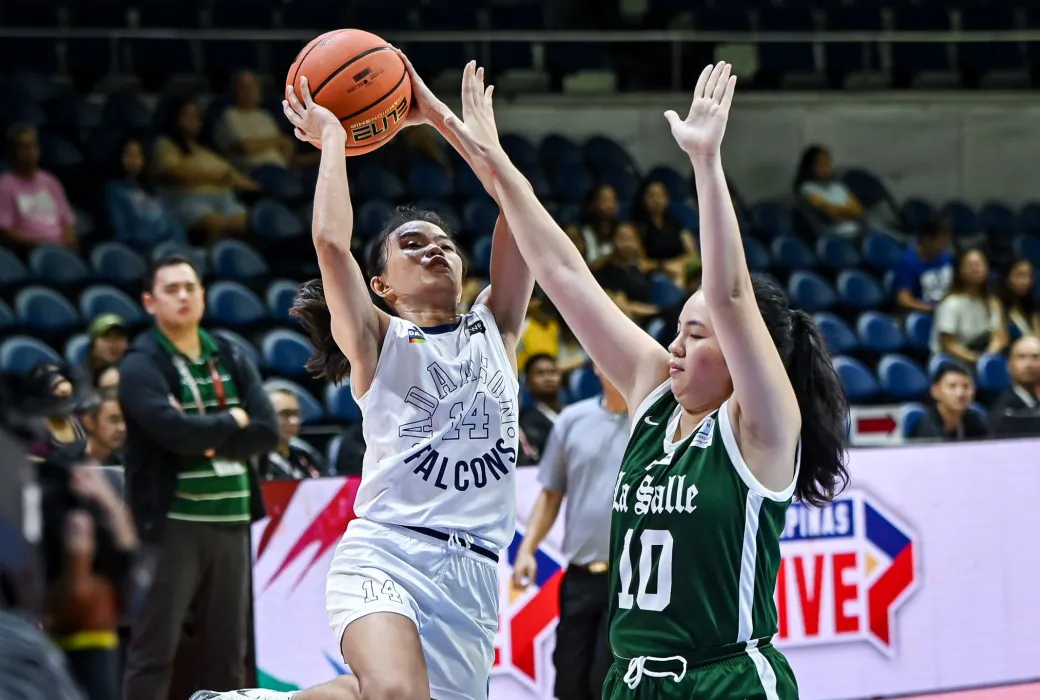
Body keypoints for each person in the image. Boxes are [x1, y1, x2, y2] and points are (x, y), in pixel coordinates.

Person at [446, 60, 849, 699]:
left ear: (751, 355)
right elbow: (564, 271)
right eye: (678, 329)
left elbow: (731, 294)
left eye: (698, 333)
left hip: (727, 681)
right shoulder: (654, 400)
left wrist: (706, 163)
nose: (675, 346)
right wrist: (491, 160)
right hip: (631, 682)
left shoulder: (765, 428)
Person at [193, 56, 533, 700]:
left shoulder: (499, 327)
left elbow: (518, 206)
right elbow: (329, 241)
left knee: (384, 694)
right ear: (381, 287)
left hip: (474, 575)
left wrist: (436, 116)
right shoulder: (380, 342)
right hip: (389, 553)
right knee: (398, 693)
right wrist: (332, 141)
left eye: (442, 242)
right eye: (411, 244)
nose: (433, 247)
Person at [118, 253, 278, 700]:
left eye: (190, 287)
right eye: (172, 289)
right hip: (172, 524)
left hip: (232, 519)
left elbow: (267, 431)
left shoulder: (229, 352)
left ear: (203, 295)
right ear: (150, 302)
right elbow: (172, 433)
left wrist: (204, 435)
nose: (183, 296)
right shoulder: (139, 365)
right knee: (154, 651)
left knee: (229, 655)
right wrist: (232, 422)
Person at [513, 366, 629, 700]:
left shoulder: (654, 422)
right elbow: (551, 495)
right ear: (595, 365)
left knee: (605, 681)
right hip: (579, 576)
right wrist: (526, 551)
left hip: (631, 581)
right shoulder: (572, 420)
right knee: (568, 682)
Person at [0, 123, 77, 251]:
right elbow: (5, 230)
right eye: (24, 148)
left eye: (33, 146)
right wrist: (39, 245)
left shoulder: (50, 180)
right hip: (30, 251)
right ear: (12, 152)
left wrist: (68, 243)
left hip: (59, 248)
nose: (30, 152)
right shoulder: (5, 185)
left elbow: (67, 221)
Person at [931, 249, 1008, 363]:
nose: (976, 268)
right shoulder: (951, 303)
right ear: (960, 270)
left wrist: (988, 357)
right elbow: (948, 344)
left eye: (980, 264)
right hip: (952, 361)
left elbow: (1000, 337)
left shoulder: (992, 302)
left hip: (983, 356)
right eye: (971, 265)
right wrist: (975, 359)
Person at [909, 362, 988, 441]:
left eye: (966, 386)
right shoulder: (927, 428)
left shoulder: (973, 419)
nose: (960, 394)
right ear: (935, 391)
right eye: (952, 386)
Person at [891, 216, 954, 313]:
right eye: (941, 242)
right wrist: (932, 310)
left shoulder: (946, 258)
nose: (945, 247)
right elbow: (904, 300)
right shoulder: (908, 263)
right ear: (927, 240)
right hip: (926, 313)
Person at [988, 336, 1040, 437]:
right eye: (1021, 357)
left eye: (1035, 357)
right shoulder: (1002, 413)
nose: (1029, 364)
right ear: (1009, 365)